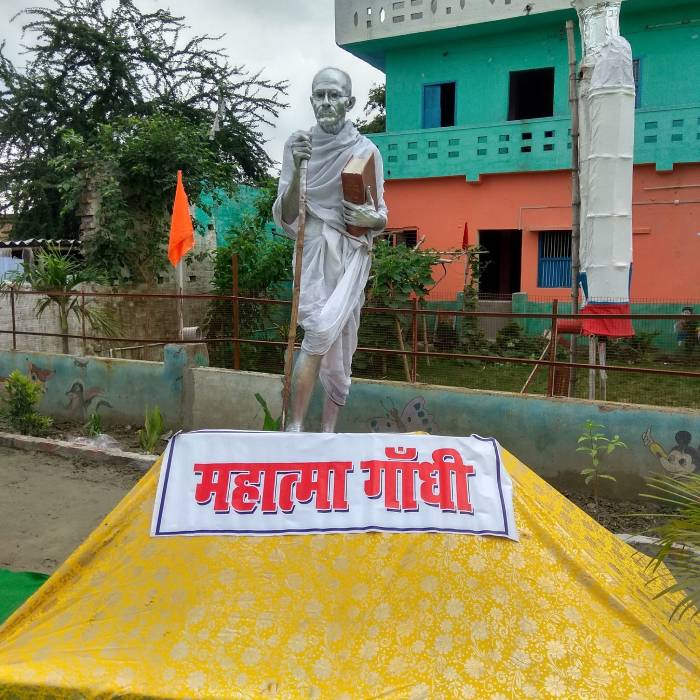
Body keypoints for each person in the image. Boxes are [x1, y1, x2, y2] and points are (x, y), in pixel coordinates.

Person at [272, 67, 388, 432]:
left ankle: (327, 431)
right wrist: (296, 168)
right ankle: (294, 427)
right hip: (312, 251)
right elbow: (286, 212)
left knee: (341, 345)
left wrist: (371, 219)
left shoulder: (366, 151)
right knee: (318, 333)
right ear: (311, 100)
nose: (325, 102)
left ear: (349, 102)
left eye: (333, 95)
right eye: (319, 95)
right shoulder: (298, 145)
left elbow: (381, 214)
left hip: (351, 256)